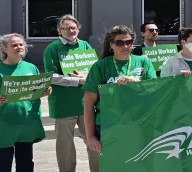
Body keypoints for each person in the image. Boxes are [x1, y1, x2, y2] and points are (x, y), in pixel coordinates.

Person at [0, 33, 52, 172]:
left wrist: (44, 91)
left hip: (26, 123)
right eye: (14, 45)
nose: (18, 47)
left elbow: (36, 91)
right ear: (4, 49)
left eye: (21, 44)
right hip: (3, 125)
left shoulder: (31, 68)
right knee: (2, 164)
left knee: (26, 163)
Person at [83, 25, 158, 154]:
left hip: (138, 124)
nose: (125, 46)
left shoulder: (144, 62)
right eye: (119, 43)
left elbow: (154, 91)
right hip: (108, 125)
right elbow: (89, 103)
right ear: (111, 45)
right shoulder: (100, 67)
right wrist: (91, 137)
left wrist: (137, 82)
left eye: (128, 42)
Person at [41, 15, 99, 172]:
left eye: (73, 28)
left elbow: (93, 71)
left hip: (86, 102)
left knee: (93, 141)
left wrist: (88, 78)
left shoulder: (85, 45)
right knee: (65, 145)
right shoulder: (52, 48)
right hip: (63, 104)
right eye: (66, 28)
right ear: (60, 31)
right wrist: (77, 81)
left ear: (78, 29)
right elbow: (50, 76)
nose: (70, 31)